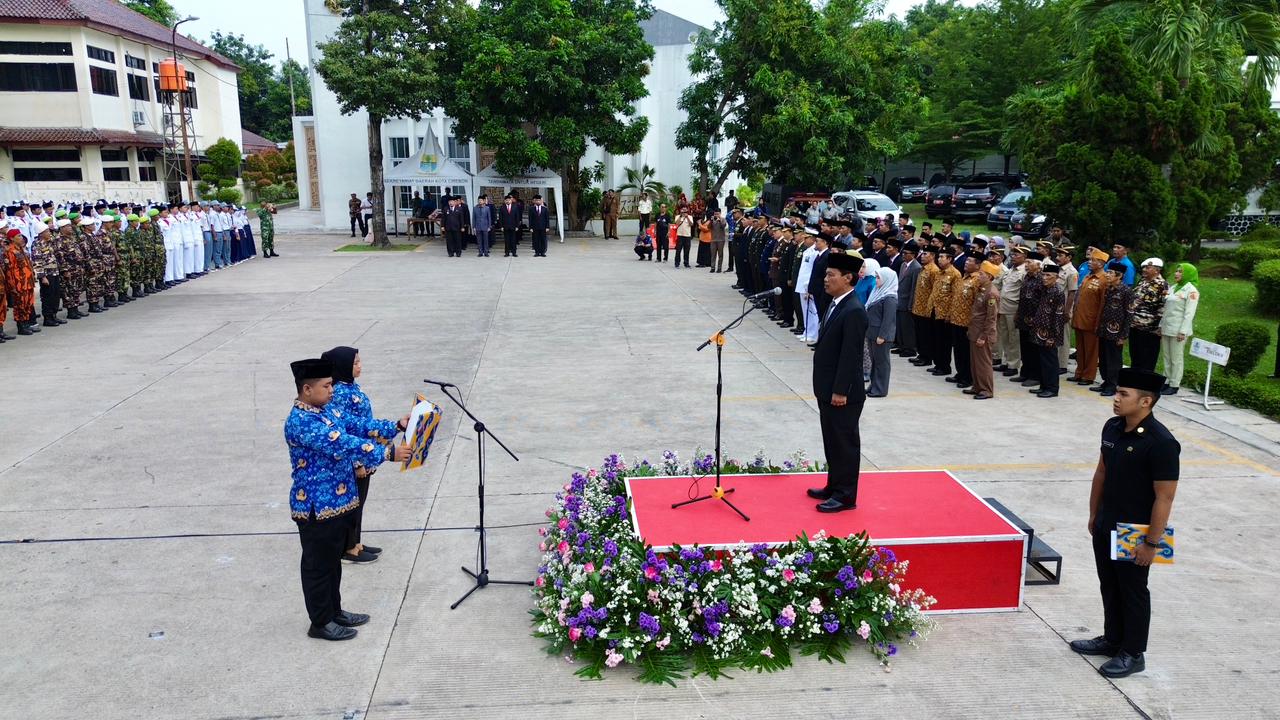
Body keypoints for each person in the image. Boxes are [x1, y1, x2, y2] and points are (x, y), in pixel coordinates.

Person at [284, 358, 410, 640]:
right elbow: (342, 441)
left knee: (331, 563)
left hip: (339, 503)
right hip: (316, 506)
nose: (332, 390)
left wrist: (396, 425)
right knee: (318, 566)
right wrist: (387, 453)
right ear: (307, 389)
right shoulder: (302, 421)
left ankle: (334, 611)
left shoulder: (326, 410)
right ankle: (320, 622)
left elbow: (356, 425)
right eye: (326, 386)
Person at [1069, 367, 1179, 678]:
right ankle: (1113, 638)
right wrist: (1094, 514)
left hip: (1137, 530)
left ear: (1146, 402)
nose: (1116, 399)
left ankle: (1133, 652)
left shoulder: (1161, 443)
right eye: (1117, 392)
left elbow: (1165, 498)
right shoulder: (1112, 427)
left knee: (1133, 590)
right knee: (1110, 584)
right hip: (1107, 522)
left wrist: (1153, 542)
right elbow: (1101, 472)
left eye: (1124, 394)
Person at [808, 251, 868, 513]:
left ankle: (845, 496)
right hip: (827, 387)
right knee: (831, 439)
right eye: (826, 274)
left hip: (843, 392)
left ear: (848, 278)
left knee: (844, 442)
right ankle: (834, 485)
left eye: (831, 275)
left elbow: (850, 355)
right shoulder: (836, 303)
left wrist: (840, 390)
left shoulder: (854, 310)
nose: (825, 279)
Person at [320, 346, 387, 564]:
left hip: (365, 452)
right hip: (354, 457)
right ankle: (348, 548)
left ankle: (356, 541)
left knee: (361, 500)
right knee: (353, 503)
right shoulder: (338, 392)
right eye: (355, 363)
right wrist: (357, 462)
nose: (360, 366)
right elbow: (344, 431)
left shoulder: (351, 386)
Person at [1159, 263, 1199, 395]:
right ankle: (1166, 380)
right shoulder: (1174, 287)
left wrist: (1183, 331)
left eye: (1180, 272)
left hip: (1178, 330)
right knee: (1166, 356)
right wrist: (1160, 325)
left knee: (1176, 358)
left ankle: (1174, 384)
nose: (1176, 274)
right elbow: (1166, 309)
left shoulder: (1191, 291)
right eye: (1176, 271)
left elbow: (1189, 314)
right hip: (1166, 327)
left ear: (1188, 274)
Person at [1094, 262, 1134, 397]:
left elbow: (1129, 314)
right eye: (1108, 272)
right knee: (1104, 357)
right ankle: (1105, 381)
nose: (1107, 275)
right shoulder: (1109, 288)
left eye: (1110, 273)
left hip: (1116, 331)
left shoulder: (1126, 291)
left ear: (1119, 275)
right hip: (1104, 329)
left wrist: (1123, 335)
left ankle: (1113, 384)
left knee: (1113, 359)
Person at [1072, 249, 1110, 386]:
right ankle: (1079, 372)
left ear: (1101, 263)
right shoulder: (1088, 276)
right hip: (1080, 318)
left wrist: (1098, 322)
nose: (1090, 262)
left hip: (1091, 320)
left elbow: (1102, 303)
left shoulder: (1104, 279)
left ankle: (1088, 375)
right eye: (1090, 259)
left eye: (1093, 260)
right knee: (1080, 349)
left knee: (1091, 350)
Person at [1029, 262, 1066, 398]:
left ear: (1056, 277)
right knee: (1042, 360)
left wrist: (1053, 336)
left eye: (1048, 275)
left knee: (1050, 361)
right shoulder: (1044, 289)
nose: (1044, 278)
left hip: (1050, 333)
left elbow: (1058, 316)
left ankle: (1052, 388)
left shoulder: (1058, 292)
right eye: (1043, 275)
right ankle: (1043, 385)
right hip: (1040, 330)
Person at [967, 261, 1001, 400]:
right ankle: (977, 386)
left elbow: (991, 318)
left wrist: (983, 336)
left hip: (983, 333)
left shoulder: (992, 293)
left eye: (981, 274)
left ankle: (986, 390)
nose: (978, 276)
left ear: (989, 276)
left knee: (983, 363)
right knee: (975, 362)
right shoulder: (982, 289)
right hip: (975, 331)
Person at [1129, 258, 1167, 372]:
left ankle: (1143, 386)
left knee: (1147, 359)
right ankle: (1133, 384)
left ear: (1157, 270)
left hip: (1149, 329)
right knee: (1135, 356)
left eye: (1148, 268)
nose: (1144, 270)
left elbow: (1163, 307)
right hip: (1135, 325)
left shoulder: (1162, 285)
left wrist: (1158, 327)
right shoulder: (1143, 281)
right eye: (1144, 268)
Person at [865, 267, 898, 398]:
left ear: (887, 279)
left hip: (881, 335)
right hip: (872, 332)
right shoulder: (878, 292)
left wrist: (882, 336)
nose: (876, 280)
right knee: (875, 362)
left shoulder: (889, 297)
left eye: (878, 277)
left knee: (882, 363)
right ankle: (873, 386)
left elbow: (888, 319)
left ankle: (880, 389)